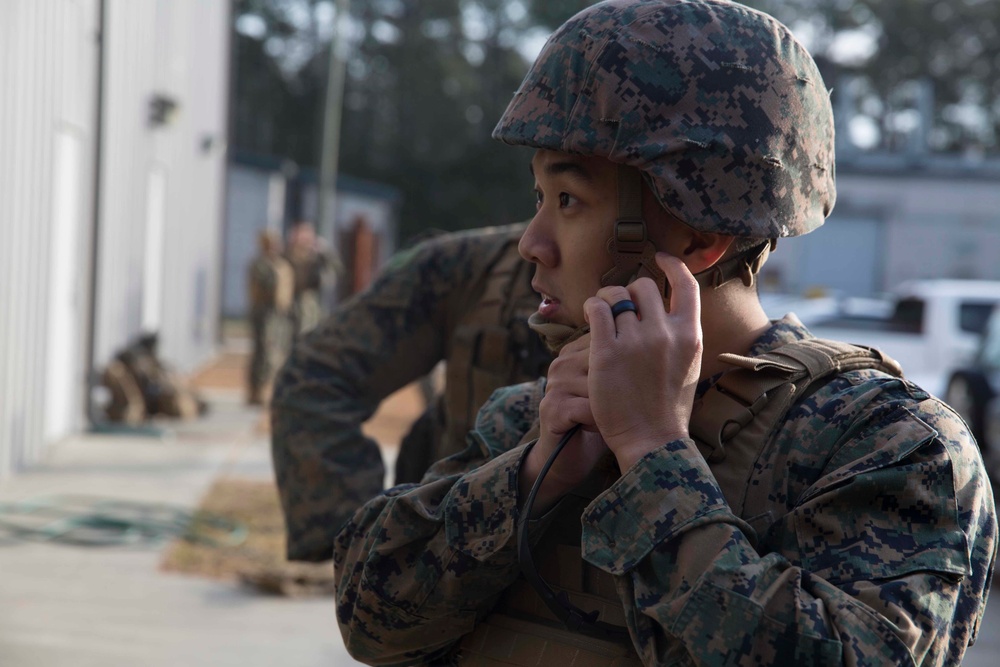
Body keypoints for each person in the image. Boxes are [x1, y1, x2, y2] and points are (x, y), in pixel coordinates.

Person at [332, 1, 998, 665]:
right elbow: (369, 620)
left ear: (699, 237)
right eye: (539, 197)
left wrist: (652, 453)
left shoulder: (888, 447)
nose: (531, 243)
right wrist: (531, 476)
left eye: (568, 201)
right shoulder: (536, 414)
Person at [271, 223, 551, 562]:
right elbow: (313, 378)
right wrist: (368, 548)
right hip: (470, 566)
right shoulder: (471, 266)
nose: (535, 240)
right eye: (543, 198)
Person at [247, 228, 294, 405]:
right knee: (263, 353)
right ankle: (258, 390)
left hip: (279, 315)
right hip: (264, 313)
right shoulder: (261, 264)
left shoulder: (281, 264)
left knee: (277, 351)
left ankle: (270, 388)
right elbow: (267, 284)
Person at [285, 220, 339, 335]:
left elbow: (337, 268)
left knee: (310, 330)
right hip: (292, 298)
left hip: (312, 298)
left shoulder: (317, 257)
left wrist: (325, 250)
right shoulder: (288, 255)